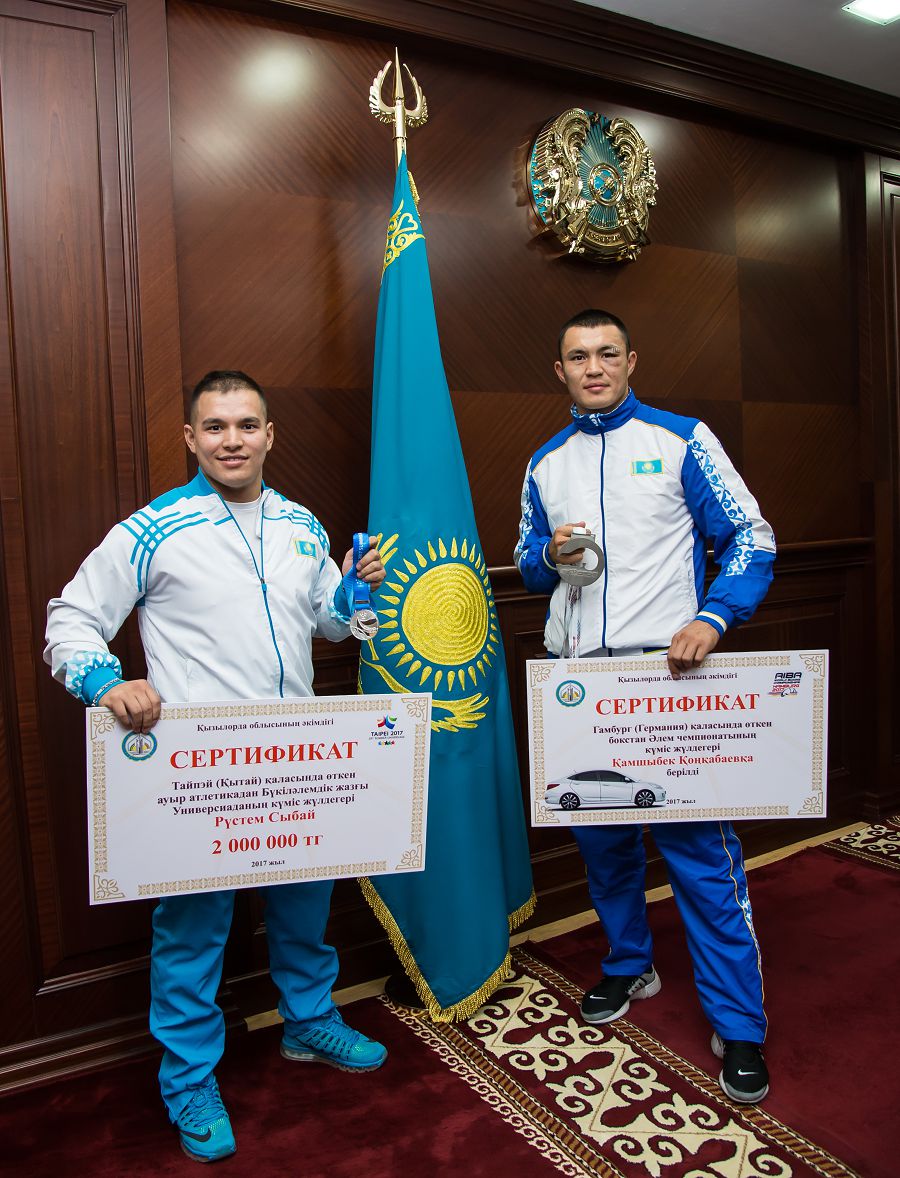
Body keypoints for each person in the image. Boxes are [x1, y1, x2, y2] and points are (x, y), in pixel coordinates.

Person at [45, 371, 388, 1163]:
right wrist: (106, 683)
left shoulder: (301, 523)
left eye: (246, 425)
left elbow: (330, 624)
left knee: (305, 901)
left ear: (270, 435)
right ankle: (189, 1079)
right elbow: (70, 618)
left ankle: (309, 1022)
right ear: (191, 439)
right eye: (215, 426)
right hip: (201, 772)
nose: (232, 440)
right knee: (194, 929)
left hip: (299, 758)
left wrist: (350, 593)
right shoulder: (152, 529)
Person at [514, 310, 777, 1105]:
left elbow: (752, 538)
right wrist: (547, 556)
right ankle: (630, 966)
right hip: (579, 687)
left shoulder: (681, 439)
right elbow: (529, 565)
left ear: (632, 360)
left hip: (668, 679)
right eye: (577, 357)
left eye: (607, 353)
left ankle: (740, 1025)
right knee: (605, 848)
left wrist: (713, 617)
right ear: (559, 371)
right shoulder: (545, 462)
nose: (593, 367)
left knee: (701, 856)